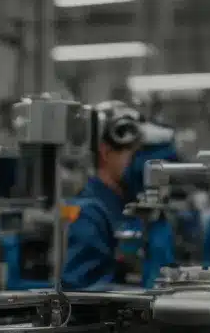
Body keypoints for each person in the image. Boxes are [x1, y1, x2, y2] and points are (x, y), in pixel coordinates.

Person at [62, 103, 177, 289]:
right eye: (137, 153)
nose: (146, 165)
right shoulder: (88, 214)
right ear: (106, 152)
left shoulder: (141, 208)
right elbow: (82, 293)